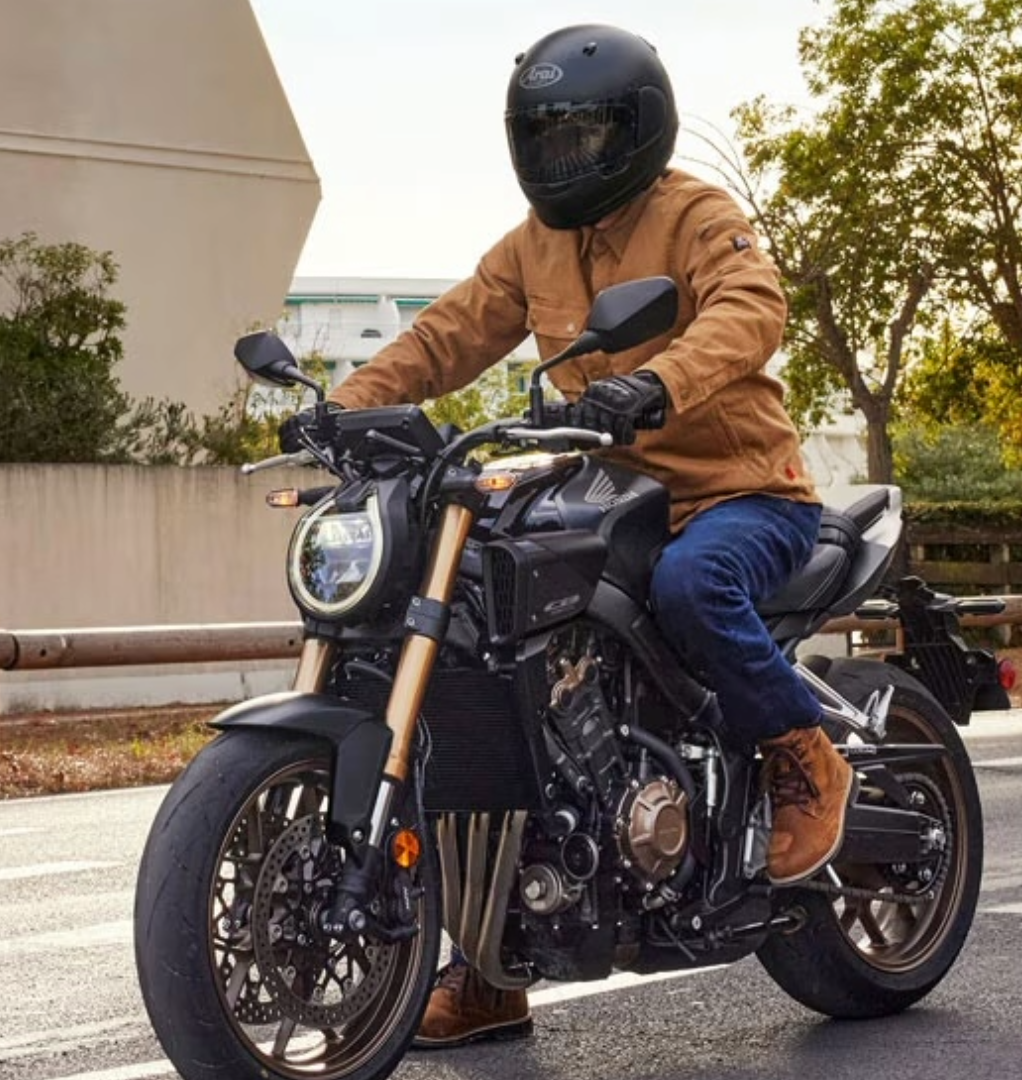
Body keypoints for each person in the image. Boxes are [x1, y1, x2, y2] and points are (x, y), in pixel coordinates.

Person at [281, 23, 855, 1049]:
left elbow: (751, 310)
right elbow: (446, 333)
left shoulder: (694, 214)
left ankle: (803, 751)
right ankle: (493, 970)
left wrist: (656, 382)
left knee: (692, 588)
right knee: (488, 665)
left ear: (637, 131)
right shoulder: (531, 246)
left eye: (584, 135)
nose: (564, 157)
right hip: (604, 496)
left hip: (736, 495)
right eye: (544, 139)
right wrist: (348, 406)